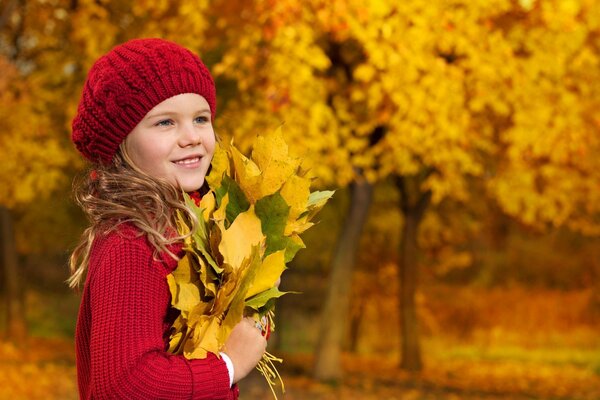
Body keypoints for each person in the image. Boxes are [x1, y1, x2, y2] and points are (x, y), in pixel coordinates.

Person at [69, 38, 267, 399]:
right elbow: (124, 384)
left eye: (200, 118)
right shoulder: (132, 241)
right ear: (120, 144)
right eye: (164, 123)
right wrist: (229, 365)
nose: (191, 137)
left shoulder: (192, 227)